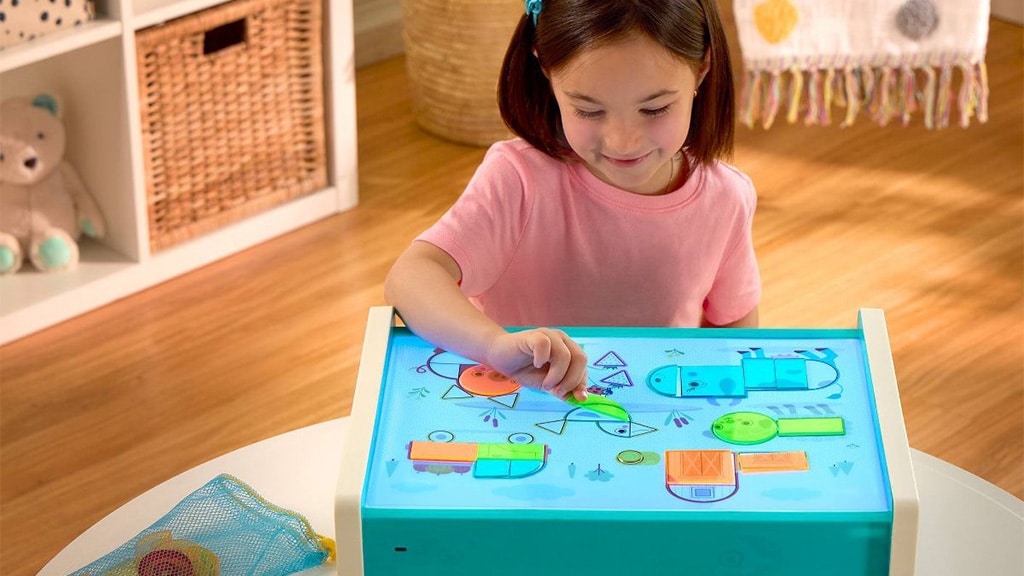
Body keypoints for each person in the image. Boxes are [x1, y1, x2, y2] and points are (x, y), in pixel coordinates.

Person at [385, 0, 760, 404]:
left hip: (655, 418)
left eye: (654, 109)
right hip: (522, 414)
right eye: (588, 110)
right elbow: (412, 276)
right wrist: (493, 345)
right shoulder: (519, 180)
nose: (623, 142)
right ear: (546, 71)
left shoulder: (727, 198)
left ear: (702, 68)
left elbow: (734, 336)